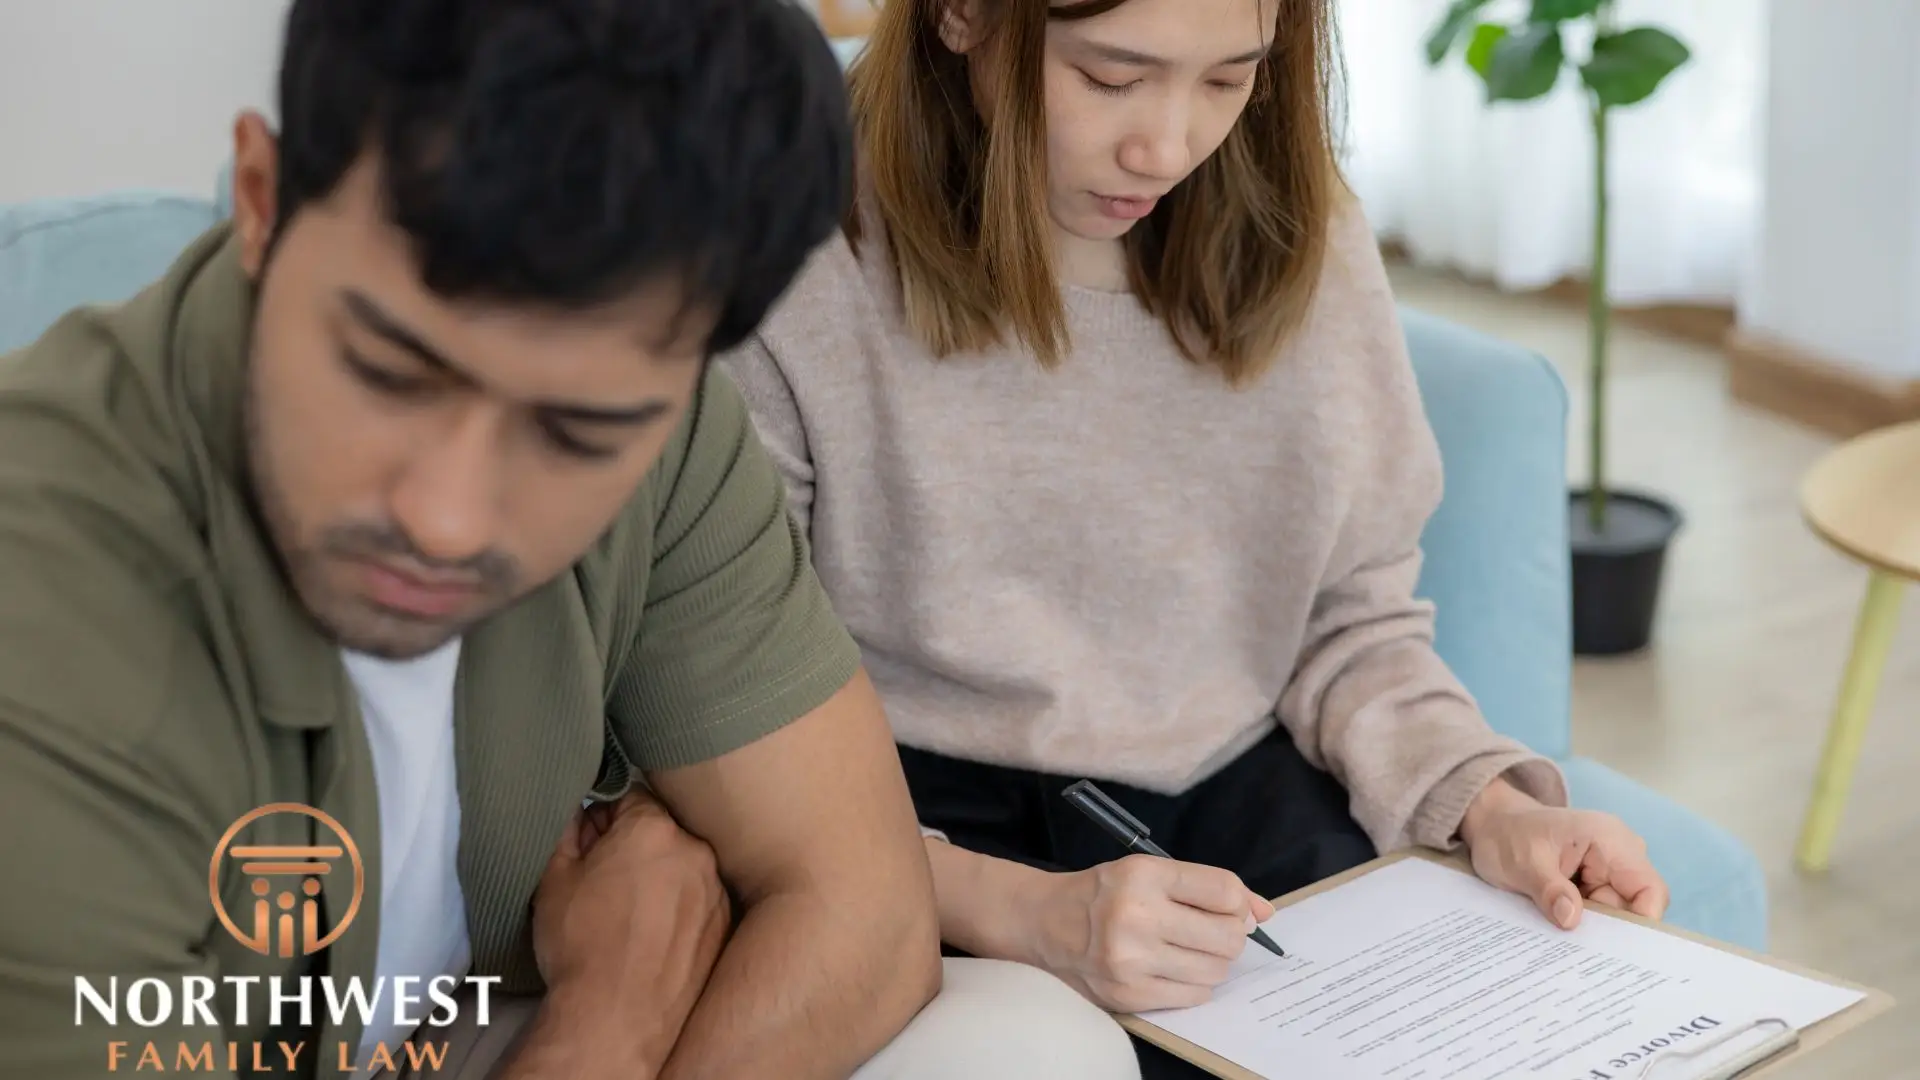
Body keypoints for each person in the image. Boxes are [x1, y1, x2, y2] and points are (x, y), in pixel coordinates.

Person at [0, 1, 1140, 1078]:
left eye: (578, 431)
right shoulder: (40, 606)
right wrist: (606, 1028)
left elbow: (863, 905)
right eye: (387, 372)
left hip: (456, 1033)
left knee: (1032, 1041)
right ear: (259, 200)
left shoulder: (673, 420)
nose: (444, 518)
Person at [718, 0, 1674, 1073]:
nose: (1166, 147)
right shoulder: (795, 243)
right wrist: (1019, 911)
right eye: (1113, 77)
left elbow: (1349, 620)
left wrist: (1488, 805)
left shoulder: (1306, 229)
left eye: (1228, 80)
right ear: (962, 14)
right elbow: (725, 712)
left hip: (1238, 784)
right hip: (895, 809)